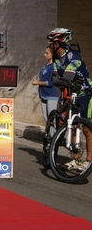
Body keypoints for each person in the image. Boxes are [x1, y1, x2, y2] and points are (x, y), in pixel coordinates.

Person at [47, 28, 92, 171]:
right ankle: (76, 159)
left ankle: (89, 161)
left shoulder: (74, 56)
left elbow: (65, 77)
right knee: (71, 127)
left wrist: (61, 79)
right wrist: (60, 79)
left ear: (57, 44)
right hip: (71, 94)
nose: (50, 46)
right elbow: (55, 80)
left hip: (85, 92)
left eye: (51, 43)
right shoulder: (57, 60)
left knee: (86, 129)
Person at [31, 46, 59, 123]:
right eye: (44, 52)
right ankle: (49, 134)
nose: (44, 54)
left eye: (47, 53)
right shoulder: (45, 66)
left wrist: (37, 82)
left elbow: (50, 82)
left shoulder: (54, 66)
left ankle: (54, 134)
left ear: (52, 54)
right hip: (43, 95)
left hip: (51, 95)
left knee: (51, 119)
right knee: (46, 118)